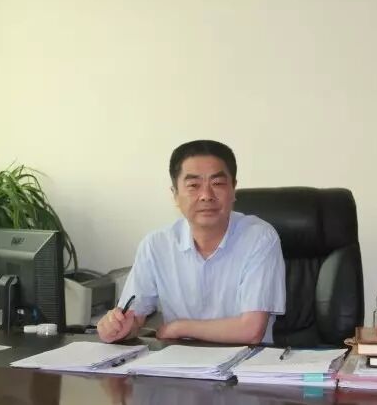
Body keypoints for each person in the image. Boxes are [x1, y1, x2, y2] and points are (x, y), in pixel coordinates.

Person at [97, 140, 285, 344]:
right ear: (175, 195)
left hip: (246, 360)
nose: (206, 196)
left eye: (217, 183)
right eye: (194, 186)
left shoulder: (259, 238)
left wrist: (180, 327)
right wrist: (118, 328)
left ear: (233, 189)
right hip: (179, 360)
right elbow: (134, 318)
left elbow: (251, 330)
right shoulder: (156, 245)